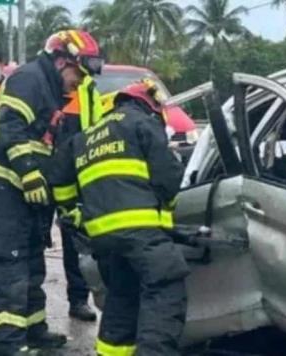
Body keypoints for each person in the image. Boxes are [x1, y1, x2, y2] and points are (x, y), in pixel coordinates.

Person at [0, 30, 104, 355]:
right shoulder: (30, 79)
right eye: (78, 73)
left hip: (20, 193)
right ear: (61, 61)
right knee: (11, 266)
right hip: (0, 188)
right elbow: (9, 125)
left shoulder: (50, 87)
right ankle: (7, 344)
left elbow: (44, 145)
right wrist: (29, 174)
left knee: (31, 261)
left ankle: (33, 329)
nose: (79, 82)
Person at [48, 79, 189, 356]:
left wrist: (74, 215)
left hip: (103, 239)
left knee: (121, 300)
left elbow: (59, 179)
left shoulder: (86, 136)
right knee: (165, 289)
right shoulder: (143, 123)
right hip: (141, 231)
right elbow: (169, 176)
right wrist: (167, 212)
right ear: (148, 106)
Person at [53, 76, 103, 322]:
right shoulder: (40, 85)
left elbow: (95, 127)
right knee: (29, 241)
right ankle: (28, 309)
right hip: (37, 170)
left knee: (75, 238)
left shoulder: (88, 89)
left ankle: (79, 299)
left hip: (74, 174)